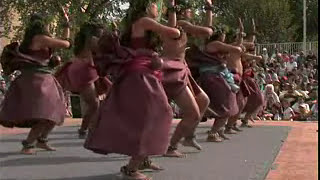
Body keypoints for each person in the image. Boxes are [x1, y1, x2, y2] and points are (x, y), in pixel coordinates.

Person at [85, 1, 180, 180]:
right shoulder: (143, 21)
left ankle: (142, 159)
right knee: (157, 114)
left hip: (143, 75)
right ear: (145, 7)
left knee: (151, 115)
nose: (157, 8)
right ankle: (130, 169)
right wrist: (173, 12)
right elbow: (174, 32)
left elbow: (172, 34)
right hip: (140, 76)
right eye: (154, 4)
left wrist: (172, 9)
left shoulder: (141, 24)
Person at [0, 10, 71, 155]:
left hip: (41, 79)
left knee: (56, 110)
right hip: (38, 81)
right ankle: (28, 144)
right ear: (42, 25)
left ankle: (42, 140)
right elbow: (66, 44)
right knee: (45, 114)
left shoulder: (34, 39)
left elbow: (63, 42)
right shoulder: (40, 38)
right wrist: (66, 28)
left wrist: (66, 23)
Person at [161, 0, 212, 157]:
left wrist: (209, 9)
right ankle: (171, 147)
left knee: (203, 101)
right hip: (172, 72)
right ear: (182, 12)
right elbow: (208, 32)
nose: (192, 12)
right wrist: (209, 8)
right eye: (190, 10)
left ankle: (188, 136)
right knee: (191, 113)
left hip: (182, 70)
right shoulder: (181, 24)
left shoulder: (182, 26)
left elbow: (207, 32)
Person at [55, 22, 111, 139]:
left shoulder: (90, 41)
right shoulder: (93, 40)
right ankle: (87, 129)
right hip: (83, 70)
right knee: (94, 103)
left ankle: (88, 128)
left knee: (95, 103)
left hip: (86, 68)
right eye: (100, 35)